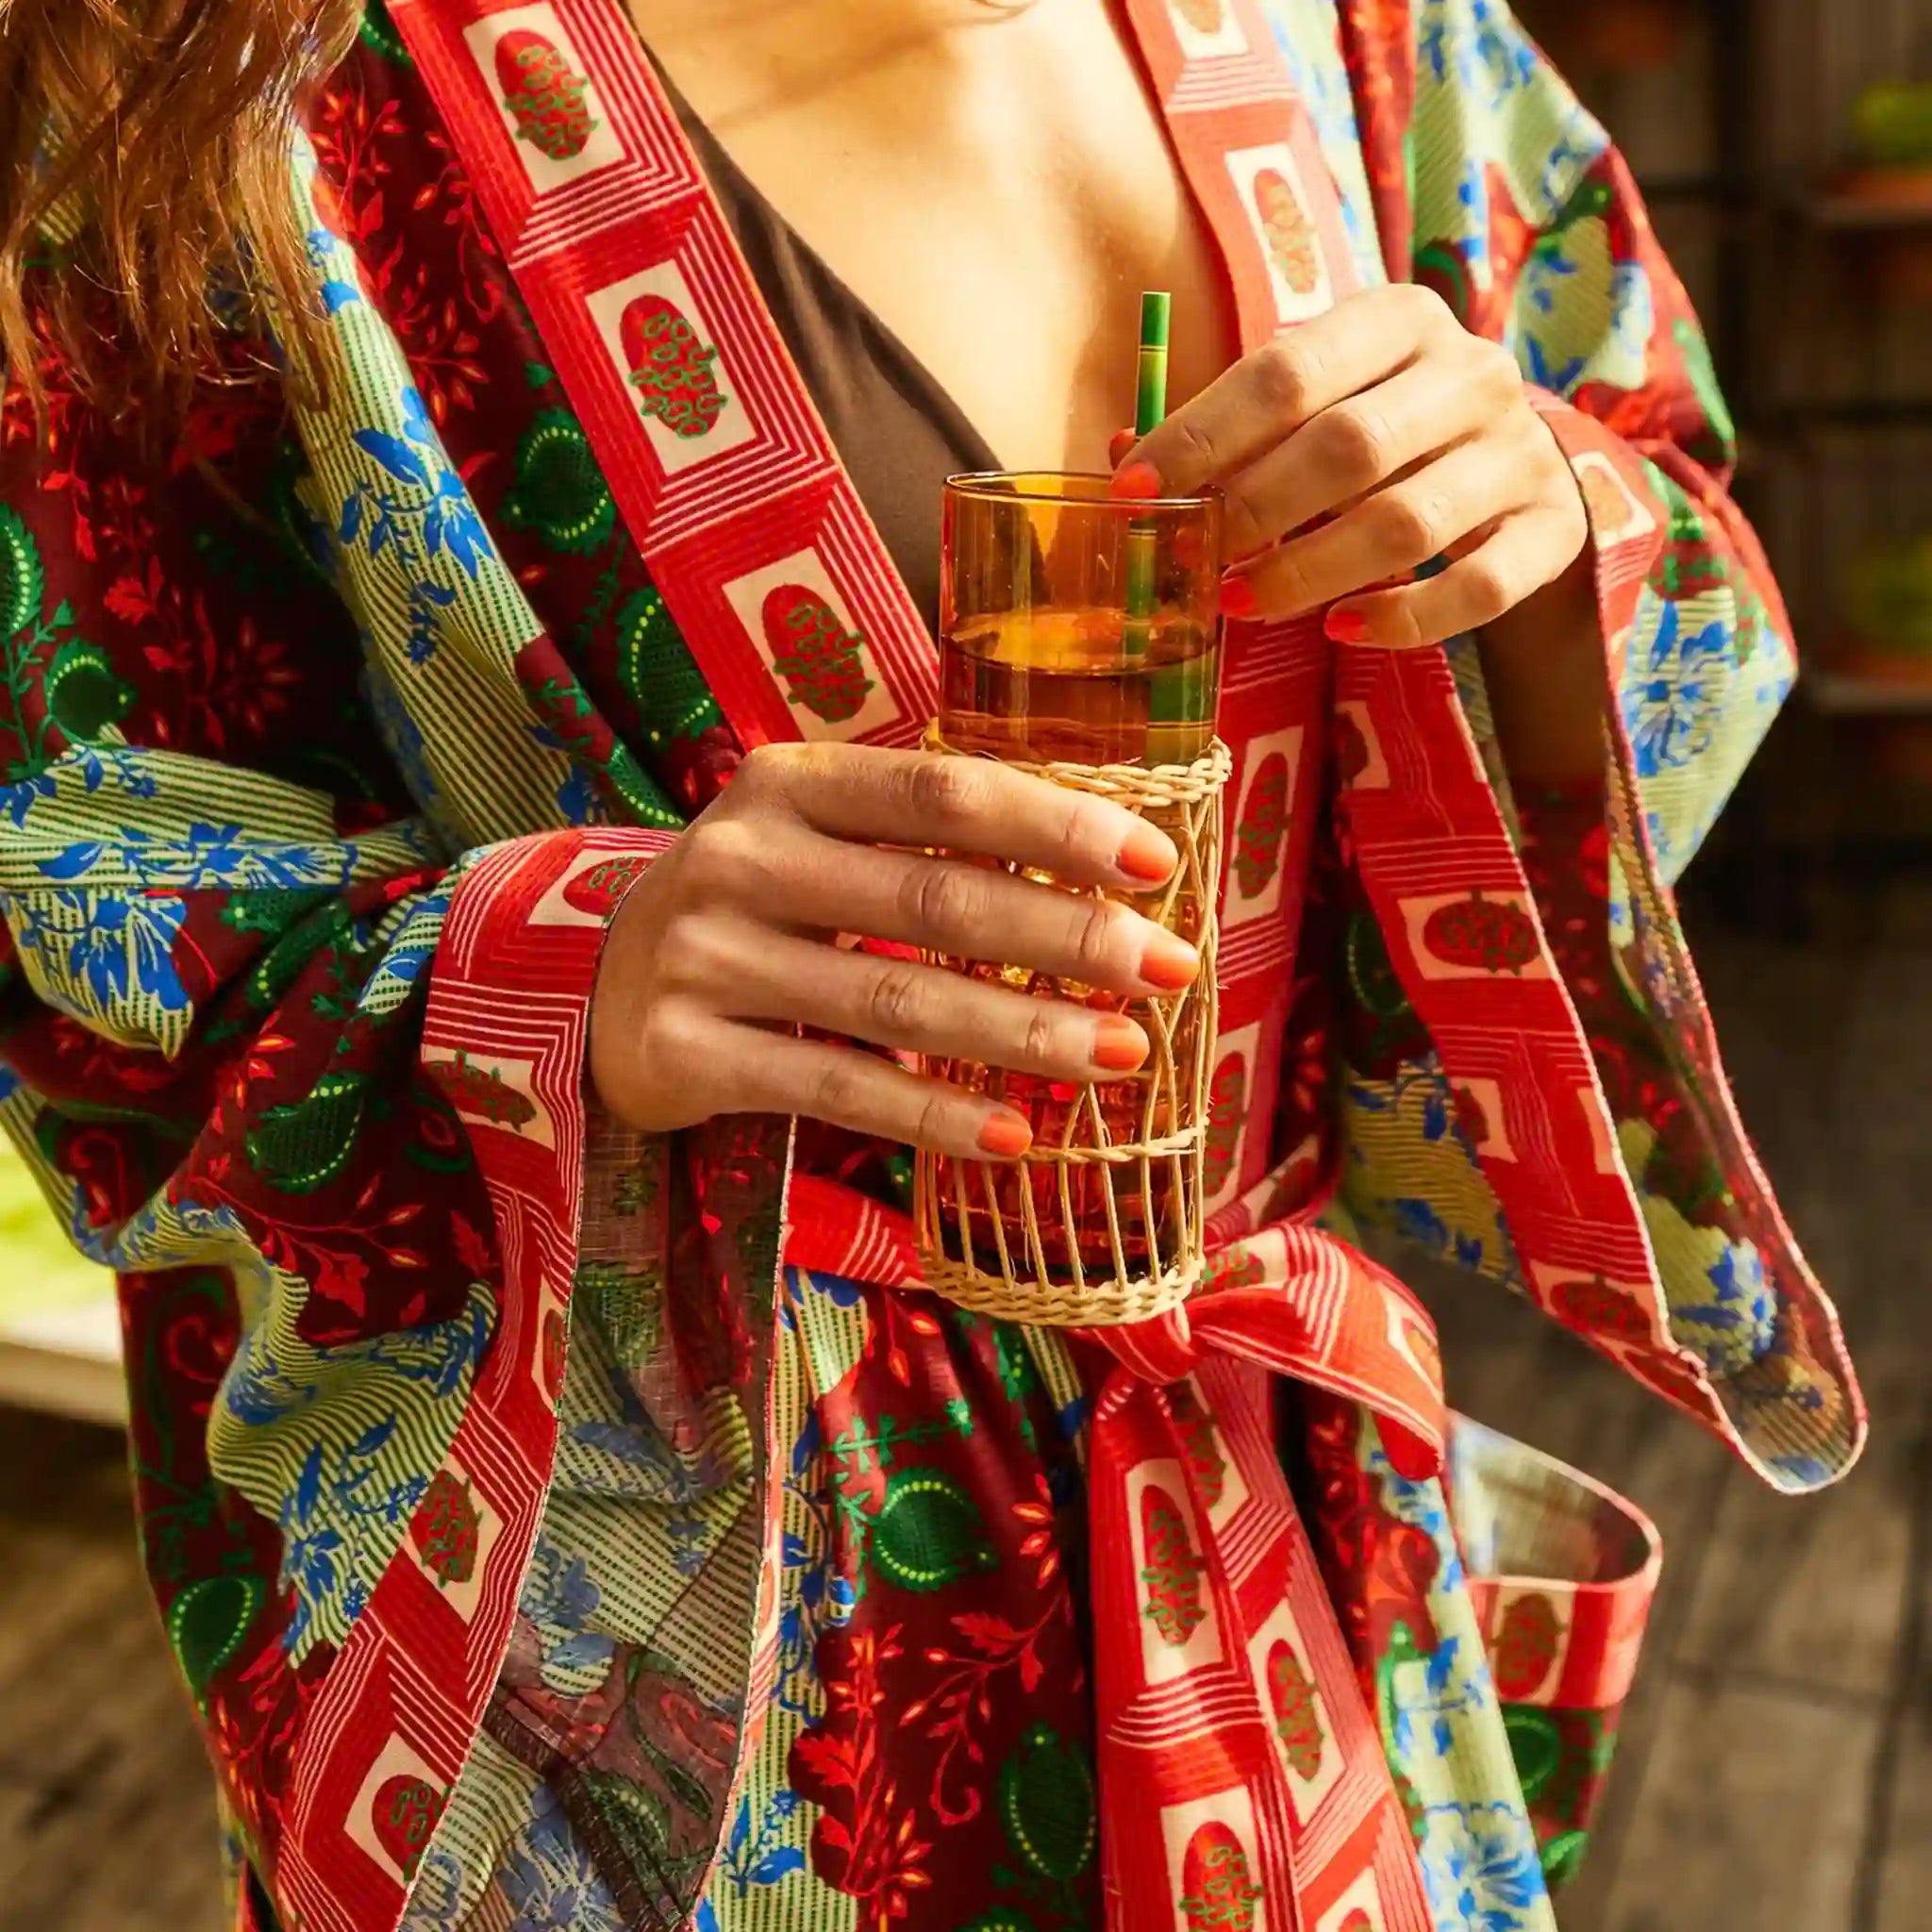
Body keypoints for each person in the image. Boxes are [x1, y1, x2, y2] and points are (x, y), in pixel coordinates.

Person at [0, 3, 1862, 1929]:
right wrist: (569, 972)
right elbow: (87, 917)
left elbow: (1659, 482)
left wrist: (1547, 530)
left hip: (1279, 1566)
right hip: (666, 1704)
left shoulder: (1369, 33)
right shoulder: (235, 104)